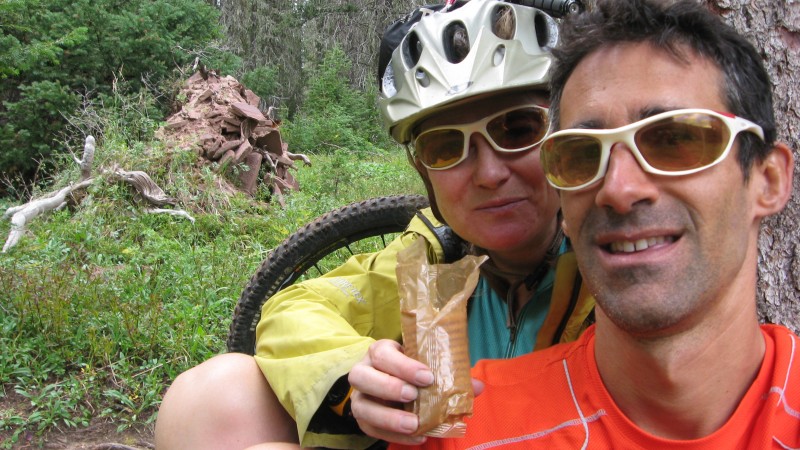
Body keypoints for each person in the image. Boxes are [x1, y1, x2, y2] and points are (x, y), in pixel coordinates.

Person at [154, 1, 596, 449]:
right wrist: (353, 371)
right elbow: (294, 310)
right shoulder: (437, 261)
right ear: (424, 171)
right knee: (210, 393)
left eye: (518, 128)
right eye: (445, 147)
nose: (489, 173)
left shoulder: (609, 265)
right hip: (446, 438)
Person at [388, 0, 800, 448]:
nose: (618, 188)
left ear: (769, 180)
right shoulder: (465, 424)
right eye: (584, 155)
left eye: (674, 140)